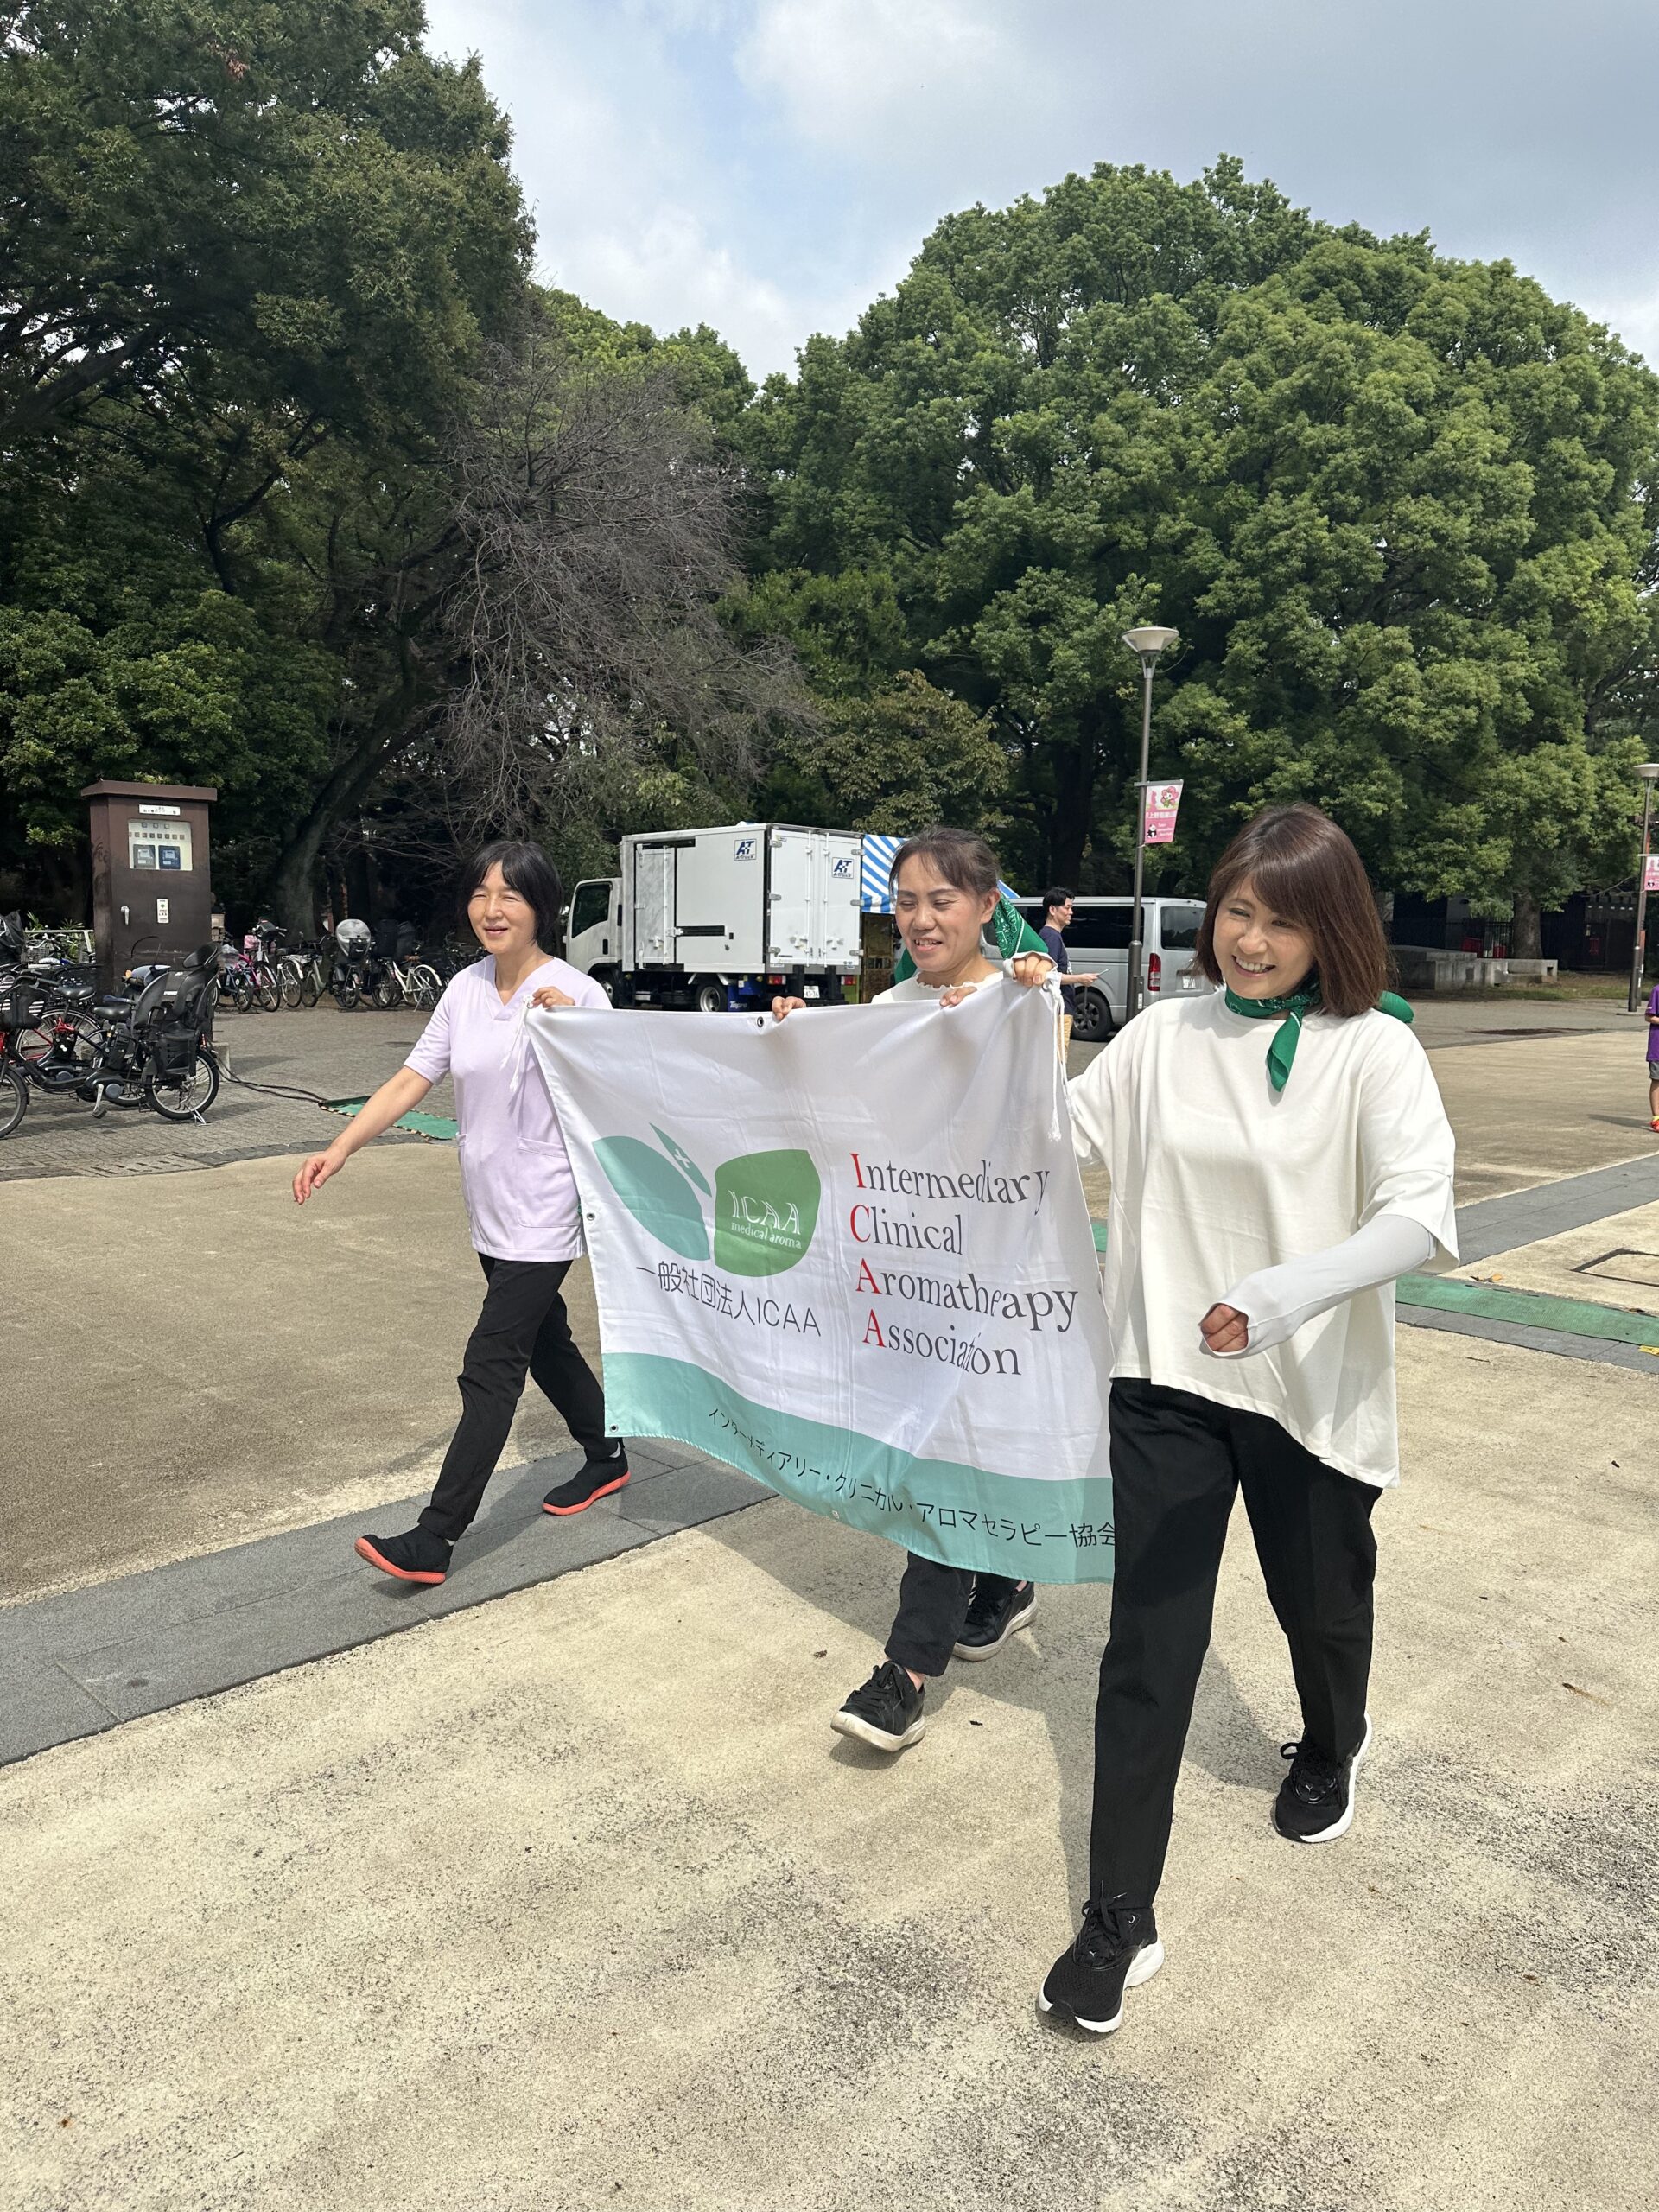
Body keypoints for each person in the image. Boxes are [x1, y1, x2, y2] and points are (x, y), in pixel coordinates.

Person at [1034, 803, 1457, 2037]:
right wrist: (948, 1042)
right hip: (1165, 1378)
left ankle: (1333, 1739)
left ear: (1332, 928)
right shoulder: (1165, 1035)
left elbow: (1419, 1217)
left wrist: (1286, 1293)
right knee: (1146, 1648)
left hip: (1304, 1393)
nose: (1252, 943)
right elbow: (1051, 1133)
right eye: (1237, 912)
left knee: (1317, 1605)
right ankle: (1120, 1917)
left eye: (1280, 920)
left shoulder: (1374, 1051)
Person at [773, 826, 1055, 1755]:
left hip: (994, 1268)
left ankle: (906, 1673)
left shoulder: (1023, 1000)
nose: (923, 918)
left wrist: (1029, 1001)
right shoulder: (886, 1006)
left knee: (940, 1453)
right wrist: (788, 1041)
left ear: (985, 906)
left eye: (943, 900)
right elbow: (836, 1105)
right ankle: (1006, 1583)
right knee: (947, 1445)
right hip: (906, 1271)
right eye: (907, 902)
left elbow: (1042, 1125)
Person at [292, 840, 628, 1586]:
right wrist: (341, 1146)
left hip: (547, 1210)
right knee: (546, 1345)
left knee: (492, 1364)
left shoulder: (579, 992)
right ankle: (607, 1454)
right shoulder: (467, 988)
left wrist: (578, 1029)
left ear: (542, 907)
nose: (492, 909)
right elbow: (415, 1076)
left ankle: (436, 1537)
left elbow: (623, 1088)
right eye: (481, 893)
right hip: (489, 1205)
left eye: (510, 895)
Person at [1038, 887, 1099, 1058]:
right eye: (1067, 907)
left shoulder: (1052, 936)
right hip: (1058, 1009)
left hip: (1061, 1008)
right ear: (1052, 909)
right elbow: (1046, 975)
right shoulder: (1051, 937)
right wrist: (1080, 978)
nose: (1071, 912)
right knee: (1057, 1060)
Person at [1646, 977, 1659, 1130]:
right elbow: (1649, 1016)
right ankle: (1656, 1116)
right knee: (1657, 1080)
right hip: (1657, 1047)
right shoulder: (1657, 991)